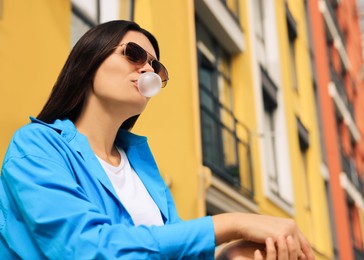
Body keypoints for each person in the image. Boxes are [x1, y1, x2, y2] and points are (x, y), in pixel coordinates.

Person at [0, 20, 314, 259]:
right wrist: (229, 224)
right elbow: (85, 247)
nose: (148, 68)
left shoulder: (142, 169)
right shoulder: (35, 146)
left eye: (156, 66)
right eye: (134, 54)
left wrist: (231, 255)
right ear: (89, 60)